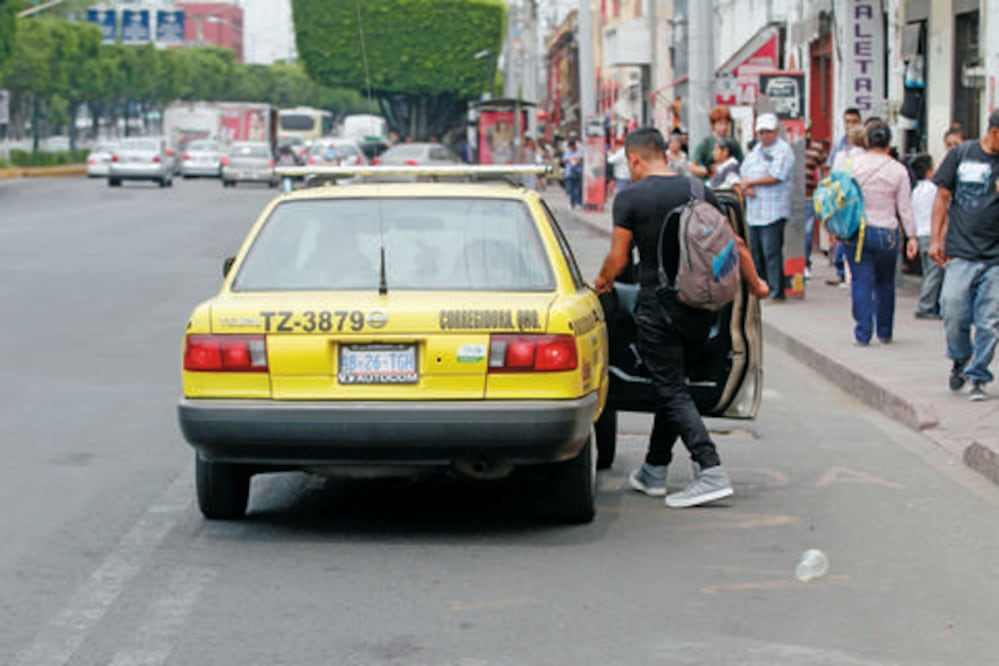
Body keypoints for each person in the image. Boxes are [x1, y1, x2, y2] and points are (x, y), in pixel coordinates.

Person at [594, 127, 735, 508]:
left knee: (671, 389)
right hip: (700, 306)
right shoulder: (698, 189)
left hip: (658, 307)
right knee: (673, 386)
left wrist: (601, 282)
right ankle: (654, 470)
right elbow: (732, 243)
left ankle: (710, 469)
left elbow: (619, 258)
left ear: (635, 158)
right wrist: (755, 284)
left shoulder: (630, 197)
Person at [929, 108, 999, 401]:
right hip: (961, 252)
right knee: (953, 309)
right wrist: (936, 239)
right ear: (994, 133)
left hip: (995, 258)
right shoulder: (961, 155)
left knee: (989, 320)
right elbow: (942, 197)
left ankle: (979, 376)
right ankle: (960, 357)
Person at [842, 120, 918, 345]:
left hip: (857, 231)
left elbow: (842, 198)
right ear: (889, 142)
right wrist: (912, 236)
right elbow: (905, 207)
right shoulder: (898, 170)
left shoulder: (852, 165)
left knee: (861, 281)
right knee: (885, 282)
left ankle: (863, 332)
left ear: (866, 140)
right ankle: (884, 331)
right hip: (887, 233)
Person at [738, 113, 795, 300]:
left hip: (774, 210)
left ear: (776, 132)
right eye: (761, 132)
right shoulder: (755, 151)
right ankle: (760, 289)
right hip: (755, 211)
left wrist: (752, 182)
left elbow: (776, 175)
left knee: (771, 252)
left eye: (768, 132)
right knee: (755, 252)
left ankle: (776, 290)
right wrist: (746, 186)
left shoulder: (783, 150)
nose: (764, 136)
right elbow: (744, 172)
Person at [825, 108, 865, 286]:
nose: (850, 125)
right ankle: (843, 271)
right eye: (847, 121)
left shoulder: (863, 150)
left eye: (854, 121)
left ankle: (848, 274)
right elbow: (830, 173)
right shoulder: (839, 146)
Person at [910, 153, 943, 320]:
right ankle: (926, 305)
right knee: (935, 272)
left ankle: (932, 302)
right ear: (930, 172)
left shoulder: (916, 191)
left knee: (928, 271)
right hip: (932, 234)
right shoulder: (934, 189)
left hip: (920, 233)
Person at [690, 106, 744, 179]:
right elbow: (693, 168)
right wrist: (709, 170)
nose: (724, 127)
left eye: (726, 123)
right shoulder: (705, 144)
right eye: (720, 124)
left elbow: (742, 165)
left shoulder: (734, 144)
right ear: (713, 125)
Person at [803, 138, 829, 279]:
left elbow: (825, 168)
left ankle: (805, 264)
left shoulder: (816, 149)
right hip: (790, 199)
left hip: (809, 196)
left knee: (807, 233)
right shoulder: (788, 146)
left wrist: (824, 189)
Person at [562, 138, 583, 209]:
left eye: (572, 146)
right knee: (570, 189)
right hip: (569, 173)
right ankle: (572, 203)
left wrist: (578, 162)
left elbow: (582, 161)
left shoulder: (579, 152)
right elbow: (564, 161)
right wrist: (569, 160)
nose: (571, 148)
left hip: (578, 172)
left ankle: (578, 202)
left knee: (578, 189)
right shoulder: (568, 152)